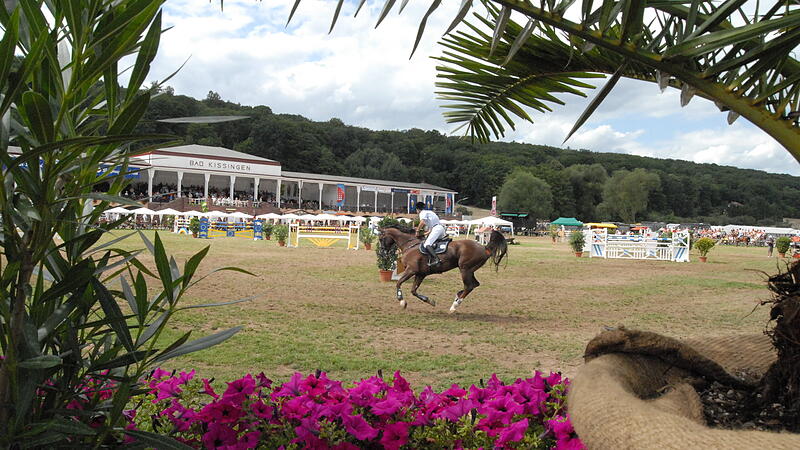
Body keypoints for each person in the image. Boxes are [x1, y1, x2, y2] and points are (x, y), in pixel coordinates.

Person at [416, 201, 445, 267]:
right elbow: (431, 229)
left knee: (427, 244)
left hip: (437, 229)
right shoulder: (429, 212)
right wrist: (425, 234)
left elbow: (422, 222)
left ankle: (437, 260)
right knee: (431, 242)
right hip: (440, 228)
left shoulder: (422, 213)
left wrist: (417, 231)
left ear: (417, 209)